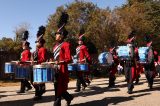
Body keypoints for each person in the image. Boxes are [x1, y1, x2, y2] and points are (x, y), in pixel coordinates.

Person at [52, 12, 73, 106]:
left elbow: (69, 59)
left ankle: (57, 103)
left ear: (62, 35)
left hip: (63, 70)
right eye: (56, 33)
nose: (56, 35)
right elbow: (55, 57)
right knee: (57, 87)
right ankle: (69, 98)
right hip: (55, 69)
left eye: (57, 33)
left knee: (60, 87)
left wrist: (60, 62)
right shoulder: (55, 46)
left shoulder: (66, 45)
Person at [32, 26, 47, 100]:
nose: (36, 43)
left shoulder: (43, 49)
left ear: (41, 42)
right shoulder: (36, 50)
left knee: (38, 81)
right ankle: (41, 91)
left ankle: (38, 94)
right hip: (35, 66)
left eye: (37, 42)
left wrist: (36, 61)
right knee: (35, 81)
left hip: (40, 66)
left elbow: (43, 59)